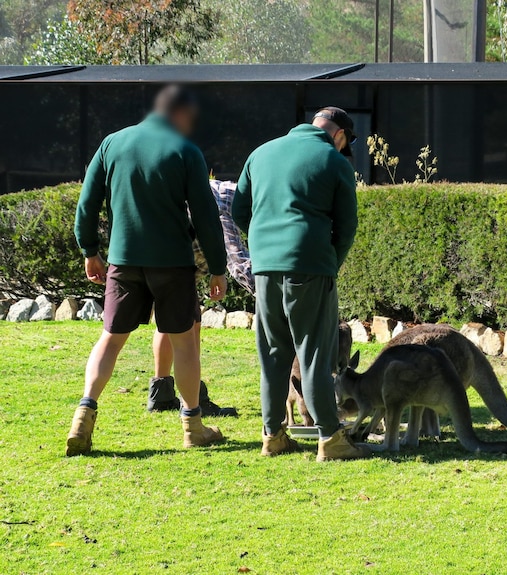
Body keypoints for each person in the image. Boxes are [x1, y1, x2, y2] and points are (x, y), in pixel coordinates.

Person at [66, 85, 228, 456]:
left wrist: (89, 249)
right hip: (173, 263)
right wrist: (218, 268)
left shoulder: (112, 144)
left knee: (110, 338)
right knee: (184, 341)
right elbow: (206, 215)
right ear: (182, 114)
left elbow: (87, 203)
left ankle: (83, 414)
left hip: (124, 260)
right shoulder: (186, 151)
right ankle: (193, 427)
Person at [233, 106, 368, 461]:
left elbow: (240, 211)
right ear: (340, 135)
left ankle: (273, 435)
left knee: (273, 354)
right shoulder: (334, 161)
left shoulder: (260, 153)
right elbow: (347, 227)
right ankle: (330, 438)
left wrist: (264, 248)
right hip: (311, 268)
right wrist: (329, 263)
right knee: (314, 353)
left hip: (265, 269)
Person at [148, 180, 252, 417]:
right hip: (185, 260)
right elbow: (238, 261)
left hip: (166, 251)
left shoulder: (225, 191)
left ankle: (161, 394)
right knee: (190, 326)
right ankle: (194, 401)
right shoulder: (230, 202)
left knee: (169, 320)